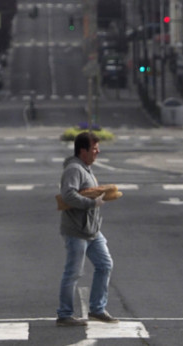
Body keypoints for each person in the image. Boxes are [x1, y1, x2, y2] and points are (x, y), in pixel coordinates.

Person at [56, 131, 118, 327]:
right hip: (77, 230)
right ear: (83, 151)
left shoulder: (86, 168)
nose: (97, 152)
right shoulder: (74, 169)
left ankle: (97, 309)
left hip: (92, 230)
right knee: (73, 272)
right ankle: (65, 314)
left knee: (105, 264)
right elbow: (68, 195)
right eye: (94, 149)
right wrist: (93, 204)